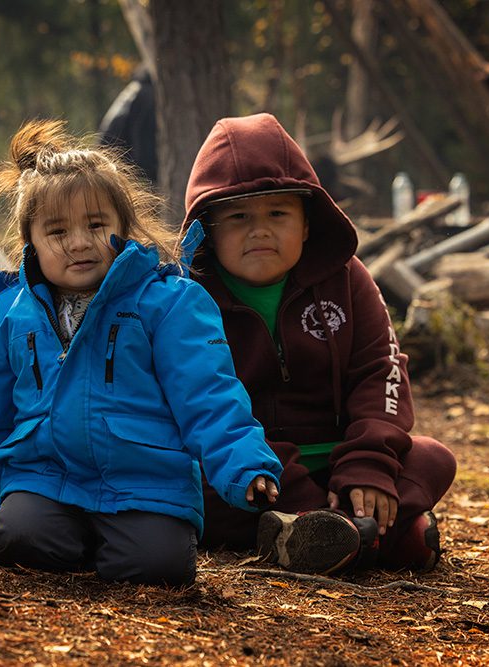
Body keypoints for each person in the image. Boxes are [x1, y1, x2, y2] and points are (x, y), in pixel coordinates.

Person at [0, 120, 282, 586]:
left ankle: (114, 543)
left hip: (145, 483)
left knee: (158, 568)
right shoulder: (12, 310)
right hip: (46, 477)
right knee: (19, 541)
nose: (79, 242)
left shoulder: (169, 303)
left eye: (96, 225)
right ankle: (76, 539)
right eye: (57, 231)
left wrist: (244, 463)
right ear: (29, 240)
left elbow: (209, 395)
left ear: (122, 228)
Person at [180, 112, 457, 574]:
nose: (259, 229)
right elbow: (196, 403)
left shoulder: (347, 279)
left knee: (433, 457)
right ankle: (374, 537)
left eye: (278, 213)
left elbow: (381, 369)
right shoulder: (190, 299)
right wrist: (290, 484)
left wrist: (368, 464)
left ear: (308, 223)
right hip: (250, 466)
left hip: (339, 458)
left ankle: (332, 534)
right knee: (187, 484)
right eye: (238, 216)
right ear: (206, 230)